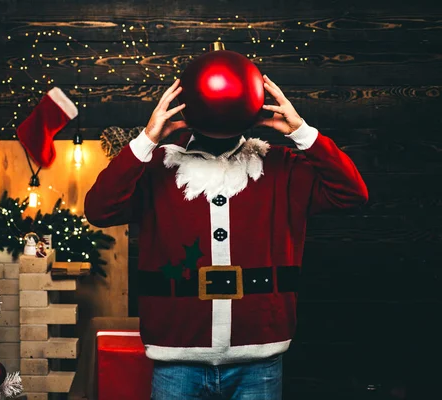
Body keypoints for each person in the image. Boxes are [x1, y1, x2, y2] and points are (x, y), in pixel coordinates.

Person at [84, 75, 368, 400]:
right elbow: (99, 210)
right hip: (176, 359)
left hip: (258, 360)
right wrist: (147, 139)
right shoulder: (157, 169)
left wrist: (300, 131)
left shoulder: (281, 166)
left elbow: (352, 195)